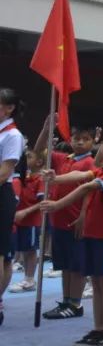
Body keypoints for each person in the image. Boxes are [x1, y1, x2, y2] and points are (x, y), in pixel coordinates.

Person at [41, 124, 103, 346]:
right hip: (93, 231)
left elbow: (87, 186)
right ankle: (99, 327)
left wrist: (57, 204)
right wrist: (57, 178)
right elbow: (84, 174)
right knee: (98, 282)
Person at [36, 124, 96, 320]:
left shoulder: (89, 163)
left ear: (93, 141)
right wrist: (47, 129)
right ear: (69, 140)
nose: (79, 141)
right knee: (65, 265)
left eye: (85, 138)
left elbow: (90, 191)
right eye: (76, 137)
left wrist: (84, 216)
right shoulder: (64, 158)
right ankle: (66, 301)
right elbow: (39, 151)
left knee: (76, 265)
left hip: (75, 220)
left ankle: (75, 303)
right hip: (58, 219)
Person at [0, 89, 27, 326]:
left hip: (2, 193)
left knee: (1, 254)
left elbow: (4, 172)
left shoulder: (12, 135)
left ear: (9, 108)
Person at [10, 149, 45, 294]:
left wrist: (26, 211)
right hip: (19, 221)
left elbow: (43, 202)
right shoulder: (24, 178)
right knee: (24, 250)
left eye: (29, 157)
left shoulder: (40, 179)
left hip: (32, 221)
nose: (25, 159)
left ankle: (30, 279)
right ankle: (26, 277)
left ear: (39, 162)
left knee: (31, 250)